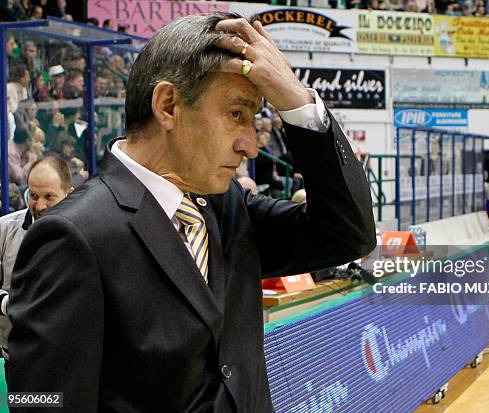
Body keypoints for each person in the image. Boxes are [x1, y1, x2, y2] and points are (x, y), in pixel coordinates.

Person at [7, 13, 376, 413]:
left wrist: (297, 102)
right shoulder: (72, 236)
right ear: (168, 105)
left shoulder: (226, 205)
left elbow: (348, 234)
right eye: (237, 114)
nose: (251, 146)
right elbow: (41, 400)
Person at [0, 157, 73, 350]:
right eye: (33, 195)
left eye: (49, 197)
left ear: (69, 194)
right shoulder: (4, 230)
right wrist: (9, 303)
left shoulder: (89, 235)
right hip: (15, 355)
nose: (40, 206)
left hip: (64, 355)